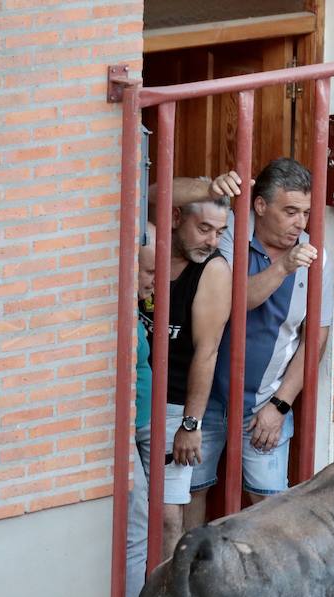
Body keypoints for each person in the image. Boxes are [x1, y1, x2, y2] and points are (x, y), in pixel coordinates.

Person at [172, 159, 334, 517]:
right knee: (189, 500)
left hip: (265, 403)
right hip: (206, 398)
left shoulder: (315, 254)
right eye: (290, 211)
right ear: (260, 206)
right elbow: (234, 301)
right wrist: (283, 267)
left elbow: (315, 338)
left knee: (272, 509)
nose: (300, 223)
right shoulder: (229, 231)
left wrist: (280, 405)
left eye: (306, 212)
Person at [137, 192, 233, 555]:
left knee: (167, 515)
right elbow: (155, 184)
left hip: (174, 406)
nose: (211, 241)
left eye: (219, 232)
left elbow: (206, 354)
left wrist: (190, 425)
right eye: (204, 228)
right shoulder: (150, 245)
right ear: (176, 217)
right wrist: (208, 184)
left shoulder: (212, 271)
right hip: (130, 398)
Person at [124, 225, 158, 597]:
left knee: (154, 517)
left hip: (146, 426)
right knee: (136, 528)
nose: (156, 279)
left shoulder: (137, 304)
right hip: (128, 432)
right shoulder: (117, 312)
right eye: (149, 272)